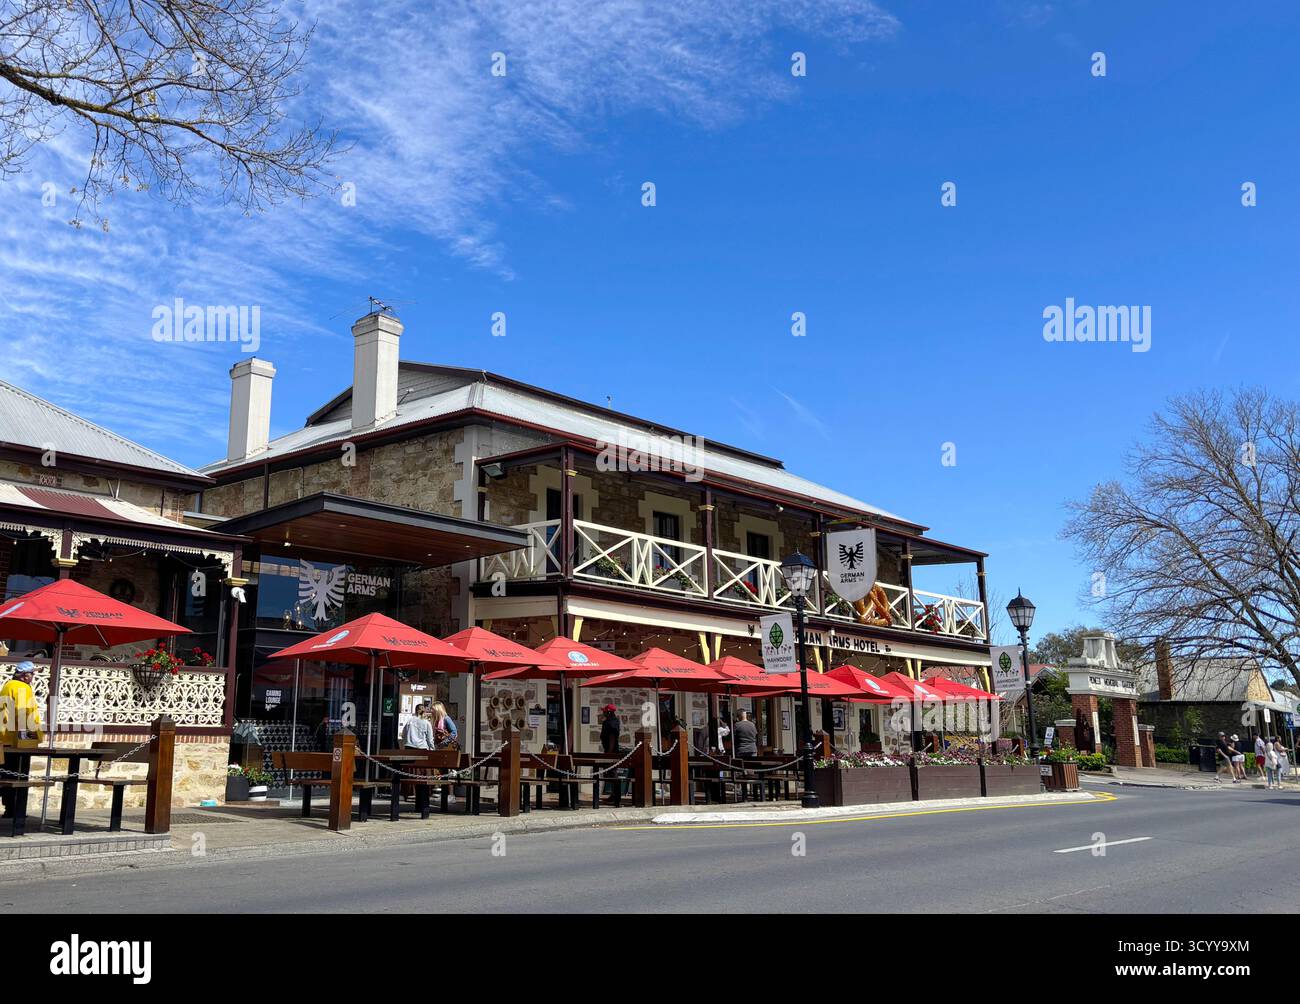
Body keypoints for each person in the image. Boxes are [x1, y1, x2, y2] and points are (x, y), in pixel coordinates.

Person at [0, 661, 44, 819]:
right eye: (32, 673)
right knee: (18, 775)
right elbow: (23, 713)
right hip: (17, 740)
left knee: (5, 775)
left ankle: (9, 808)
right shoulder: (23, 688)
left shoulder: (8, 685)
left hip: (4, 738)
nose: (33, 676)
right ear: (25, 675)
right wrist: (30, 738)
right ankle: (16, 811)